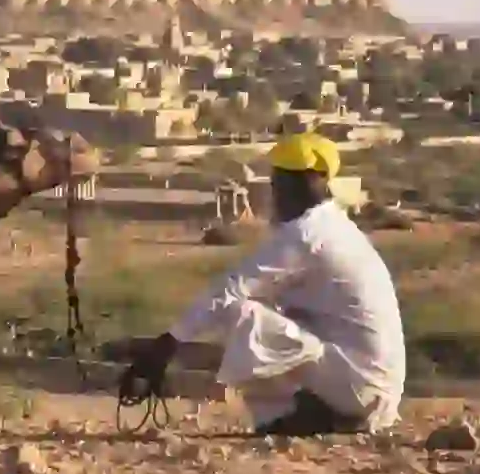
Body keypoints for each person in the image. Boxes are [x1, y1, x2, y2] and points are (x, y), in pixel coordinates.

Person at [122, 132, 406, 436]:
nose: (275, 193)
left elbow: (230, 290)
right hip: (371, 387)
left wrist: (165, 346)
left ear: (305, 183)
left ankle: (286, 416)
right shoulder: (332, 224)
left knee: (241, 314)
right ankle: (321, 412)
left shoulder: (307, 234)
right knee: (269, 306)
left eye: (279, 183)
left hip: (361, 387)